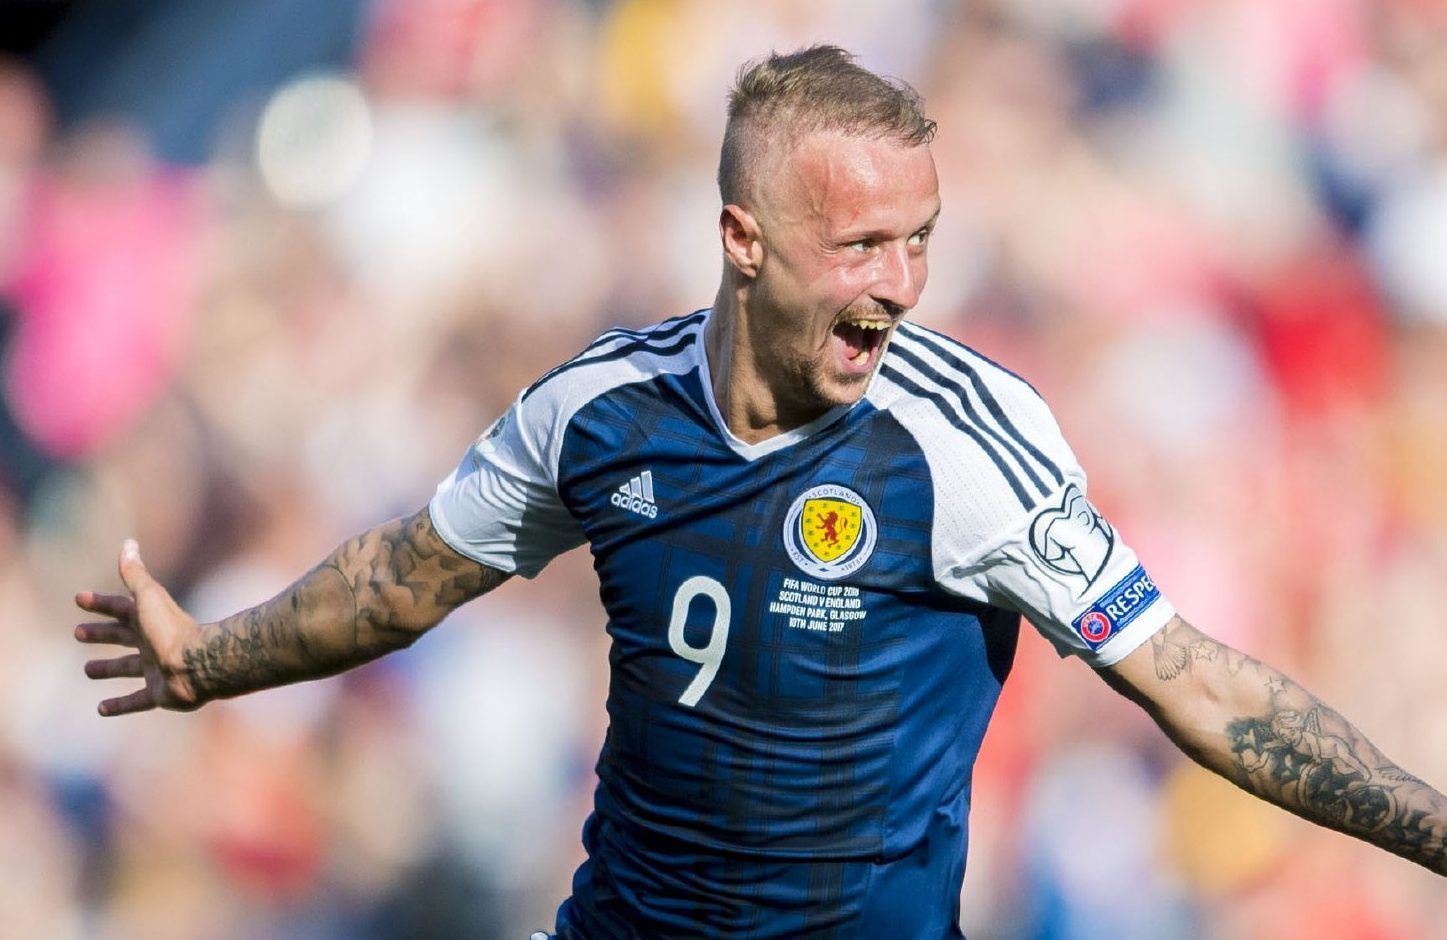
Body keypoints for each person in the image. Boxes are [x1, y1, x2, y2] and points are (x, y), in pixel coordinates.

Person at [75, 46, 1447, 938]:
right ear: (743, 240)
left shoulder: (966, 443)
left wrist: (1433, 834)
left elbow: (1198, 685)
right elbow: (401, 583)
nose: (902, 285)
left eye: (919, 243)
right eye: (861, 245)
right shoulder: (596, 412)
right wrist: (210, 657)